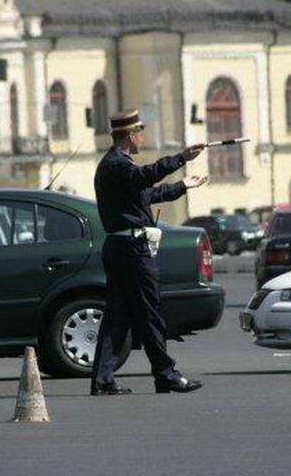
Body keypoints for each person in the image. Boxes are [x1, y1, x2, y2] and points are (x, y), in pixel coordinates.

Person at [91, 109, 208, 396]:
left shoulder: (114, 166)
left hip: (120, 248)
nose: (142, 138)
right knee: (150, 311)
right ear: (131, 135)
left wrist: (183, 185)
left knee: (117, 316)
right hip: (131, 250)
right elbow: (146, 176)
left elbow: (149, 194)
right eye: (140, 133)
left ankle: (103, 380)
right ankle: (166, 374)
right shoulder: (118, 165)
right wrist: (181, 158)